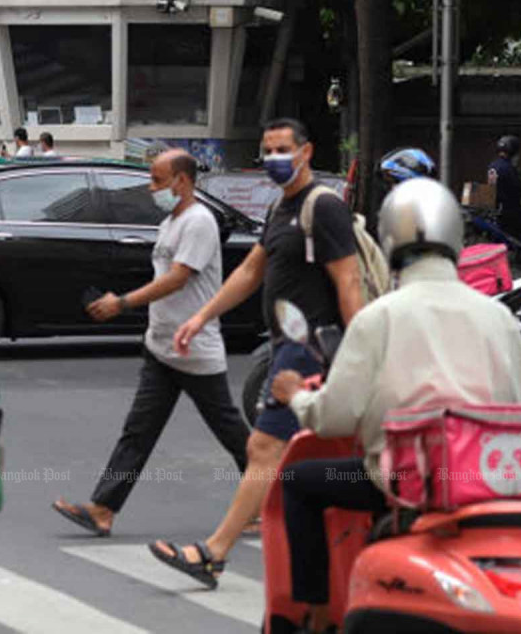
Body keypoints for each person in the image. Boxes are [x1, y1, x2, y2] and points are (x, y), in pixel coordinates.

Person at [270, 177, 521, 633]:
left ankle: (316, 614)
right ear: (455, 238)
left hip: (404, 482)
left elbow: (335, 417)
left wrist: (297, 396)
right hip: (490, 481)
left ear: (389, 241)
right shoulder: (498, 317)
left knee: (297, 481)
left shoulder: (379, 317)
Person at [149, 118, 364, 588]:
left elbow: (348, 280)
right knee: (305, 454)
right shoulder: (281, 207)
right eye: (268, 150)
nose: (274, 159)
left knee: (264, 448)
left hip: (311, 349)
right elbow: (250, 271)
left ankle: (214, 552)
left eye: (283, 149)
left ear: (306, 152)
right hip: (286, 345)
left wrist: (362, 352)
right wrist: (201, 317)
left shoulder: (323, 207)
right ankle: (332, 550)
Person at [52, 150, 249, 542]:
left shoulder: (198, 222)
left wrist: (123, 302)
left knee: (231, 432)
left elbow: (178, 278)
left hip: (193, 348)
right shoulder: (170, 223)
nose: (151, 188)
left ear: (182, 180)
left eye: (158, 180)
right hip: (162, 346)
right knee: (138, 432)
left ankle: (271, 498)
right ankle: (104, 509)